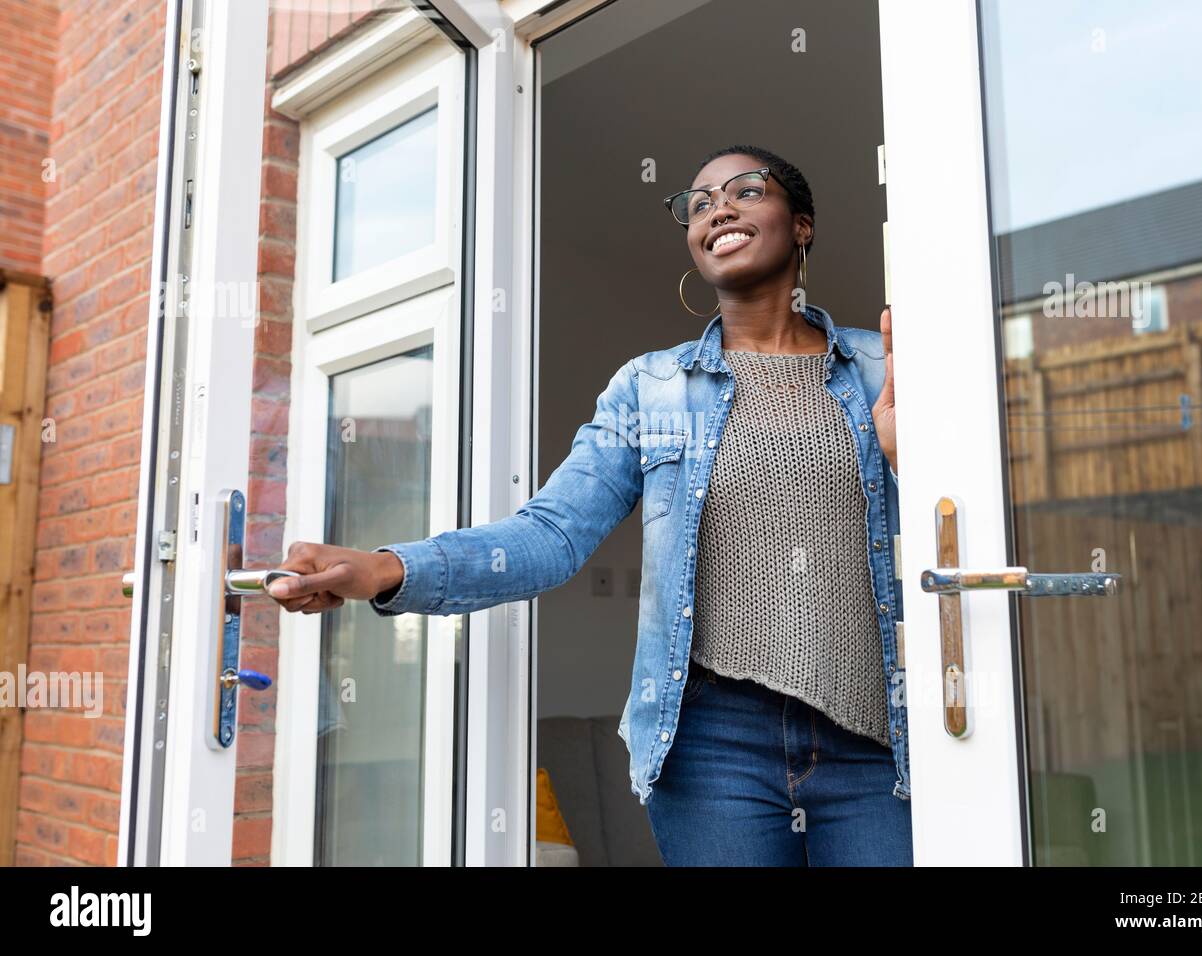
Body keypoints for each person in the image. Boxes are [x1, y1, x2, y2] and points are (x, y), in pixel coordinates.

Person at [268, 144, 911, 866]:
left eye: (745, 190)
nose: (717, 208)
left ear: (802, 225)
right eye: (697, 203)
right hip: (713, 746)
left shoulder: (885, 368)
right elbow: (551, 536)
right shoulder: (652, 388)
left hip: (879, 742)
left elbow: (961, 530)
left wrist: (906, 460)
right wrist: (385, 569)